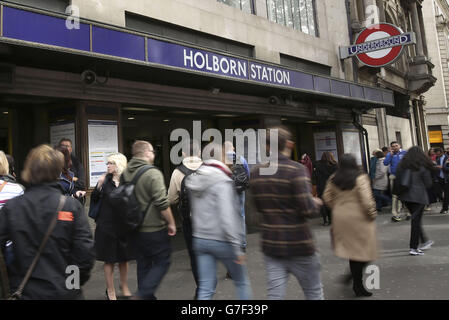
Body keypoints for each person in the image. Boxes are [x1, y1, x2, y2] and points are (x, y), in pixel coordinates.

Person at [0, 145, 95, 299]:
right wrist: (72, 285)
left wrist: (12, 282)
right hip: (64, 292)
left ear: (29, 171)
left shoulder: (13, 207)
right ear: (58, 171)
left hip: (25, 291)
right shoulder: (70, 206)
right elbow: (84, 255)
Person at [250, 126, 324, 300]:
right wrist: (316, 202)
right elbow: (308, 209)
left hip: (271, 244)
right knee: (313, 292)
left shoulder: (256, 173)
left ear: (267, 146)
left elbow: (257, 211)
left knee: (275, 294)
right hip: (300, 243)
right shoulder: (296, 170)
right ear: (289, 144)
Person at [185, 143, 252, 300]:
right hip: (222, 240)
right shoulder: (222, 180)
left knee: (206, 288)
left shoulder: (194, 178)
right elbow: (228, 216)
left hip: (200, 239)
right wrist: (238, 247)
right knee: (241, 282)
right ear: (221, 157)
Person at [121, 140, 176, 300]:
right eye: (152, 151)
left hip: (134, 228)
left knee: (143, 265)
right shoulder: (152, 173)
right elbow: (162, 203)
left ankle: (145, 296)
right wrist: (171, 223)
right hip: (153, 229)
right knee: (163, 261)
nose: (153, 154)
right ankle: (142, 294)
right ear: (146, 153)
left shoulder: (126, 173)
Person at [322, 154, 378, 297]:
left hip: (341, 217)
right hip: (359, 217)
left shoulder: (334, 178)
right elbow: (366, 199)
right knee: (366, 251)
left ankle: (355, 283)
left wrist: (338, 207)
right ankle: (355, 282)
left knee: (354, 252)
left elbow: (326, 197)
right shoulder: (360, 177)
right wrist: (372, 213)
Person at [91, 153, 135, 300]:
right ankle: (110, 291)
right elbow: (95, 199)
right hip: (106, 226)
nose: (107, 165)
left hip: (123, 226)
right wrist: (98, 186)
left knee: (124, 259)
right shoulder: (105, 180)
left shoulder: (127, 181)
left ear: (118, 165)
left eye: (110, 163)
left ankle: (124, 285)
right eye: (107, 163)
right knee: (109, 260)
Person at [167, 139, 202, 299]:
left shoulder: (178, 172)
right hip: (209, 221)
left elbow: (172, 199)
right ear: (200, 152)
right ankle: (208, 287)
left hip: (189, 221)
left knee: (194, 255)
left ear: (183, 153)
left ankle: (201, 288)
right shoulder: (209, 168)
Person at [395, 147, 435, 256]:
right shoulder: (422, 167)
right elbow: (428, 183)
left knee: (416, 220)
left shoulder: (402, 165)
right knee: (416, 222)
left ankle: (423, 241)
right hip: (419, 197)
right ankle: (413, 247)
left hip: (405, 197)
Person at [383, 141, 407, 222]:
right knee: (395, 196)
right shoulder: (390, 154)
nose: (395, 147)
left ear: (399, 146)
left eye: (396, 145)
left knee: (405, 194)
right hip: (394, 177)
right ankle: (395, 214)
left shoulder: (404, 153)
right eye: (393, 146)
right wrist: (390, 155)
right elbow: (385, 163)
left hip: (404, 177)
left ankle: (408, 212)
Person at [314, 151, 337, 226]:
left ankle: (325, 220)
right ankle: (331, 219)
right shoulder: (335, 165)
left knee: (323, 204)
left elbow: (315, 177)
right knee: (331, 202)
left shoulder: (318, 165)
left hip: (321, 187)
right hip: (332, 187)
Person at [433, 148, 449, 214]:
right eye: (435, 153)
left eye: (437, 153)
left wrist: (442, 167)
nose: (436, 154)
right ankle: (445, 203)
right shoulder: (437, 158)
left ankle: (445, 208)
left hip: (447, 179)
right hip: (439, 178)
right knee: (437, 193)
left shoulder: (447, 158)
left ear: (441, 152)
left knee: (446, 194)